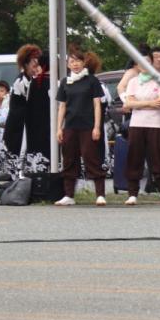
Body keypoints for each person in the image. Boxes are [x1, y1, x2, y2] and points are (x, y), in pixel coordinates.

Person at [53, 47, 107, 207]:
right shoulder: (65, 81)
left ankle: (100, 194)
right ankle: (69, 195)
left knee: (91, 157)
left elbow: (97, 104)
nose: (75, 64)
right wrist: (59, 128)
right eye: (72, 61)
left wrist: (97, 127)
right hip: (70, 125)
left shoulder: (92, 80)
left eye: (78, 61)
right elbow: (62, 106)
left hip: (88, 125)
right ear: (68, 64)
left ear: (84, 63)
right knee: (69, 158)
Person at [122, 51, 160, 206]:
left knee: (158, 159)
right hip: (136, 124)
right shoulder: (133, 81)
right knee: (134, 159)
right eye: (140, 62)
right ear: (136, 65)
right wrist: (149, 104)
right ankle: (132, 193)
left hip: (154, 124)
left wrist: (139, 103)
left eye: (147, 62)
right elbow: (129, 103)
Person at [3, 44, 52, 178]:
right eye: (33, 65)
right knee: (19, 154)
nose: (36, 68)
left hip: (29, 123)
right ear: (25, 64)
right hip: (19, 125)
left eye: (38, 65)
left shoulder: (33, 80)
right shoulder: (22, 81)